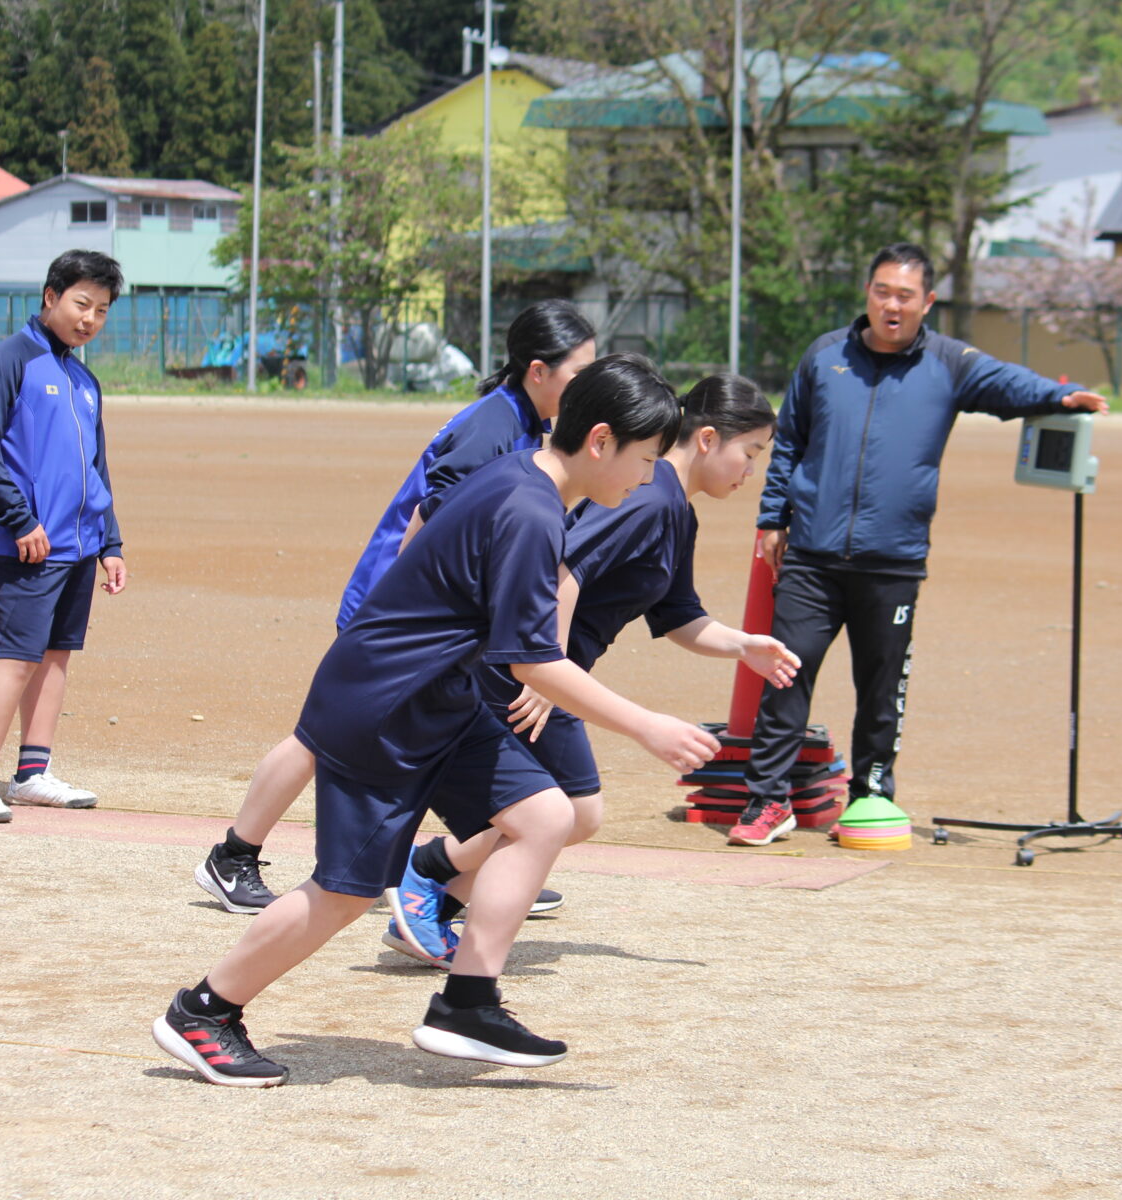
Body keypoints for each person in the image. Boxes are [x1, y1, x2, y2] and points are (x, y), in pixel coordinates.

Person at [152, 355, 720, 1087]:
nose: (647, 478)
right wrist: (647, 726)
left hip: (438, 698)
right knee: (346, 892)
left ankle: (467, 1004)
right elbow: (532, 661)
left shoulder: (527, 484)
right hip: (382, 708)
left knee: (547, 816)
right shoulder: (530, 507)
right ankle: (203, 1011)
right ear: (602, 441)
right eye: (644, 460)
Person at [384, 373, 801, 966]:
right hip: (529, 670)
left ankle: (436, 891)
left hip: (546, 671)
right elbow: (565, 570)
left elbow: (678, 613)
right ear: (707, 438)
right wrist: (546, 670)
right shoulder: (650, 495)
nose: (750, 471)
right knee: (568, 813)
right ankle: (429, 881)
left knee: (567, 813)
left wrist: (742, 646)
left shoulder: (674, 508)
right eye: (750, 453)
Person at [195, 300, 597, 914]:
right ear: (538, 371)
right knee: (320, 739)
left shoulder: (520, 423)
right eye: (580, 371)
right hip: (395, 614)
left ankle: (490, 856)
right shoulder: (492, 426)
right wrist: (404, 614)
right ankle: (233, 856)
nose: (587, 385)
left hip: (424, 622)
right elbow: (428, 520)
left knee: (372, 734)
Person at [728, 243, 1110, 847]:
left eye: (905, 295)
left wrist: (1060, 396)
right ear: (868, 294)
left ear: (927, 302)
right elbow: (790, 439)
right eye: (882, 291)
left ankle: (871, 794)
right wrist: (773, 519)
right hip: (812, 555)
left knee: (881, 687)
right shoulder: (825, 356)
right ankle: (768, 801)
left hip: (893, 559)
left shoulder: (949, 362)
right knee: (785, 676)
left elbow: (1008, 384)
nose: (892, 304)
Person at [0, 250, 128, 822]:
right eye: (81, 304)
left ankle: (32, 772)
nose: (89, 319)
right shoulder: (9, 361)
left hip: (78, 546)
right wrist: (18, 518)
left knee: (56, 657)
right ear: (50, 296)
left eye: (101, 310)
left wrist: (111, 544)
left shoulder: (83, 378)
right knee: (17, 657)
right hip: (27, 541)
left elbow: (96, 468)